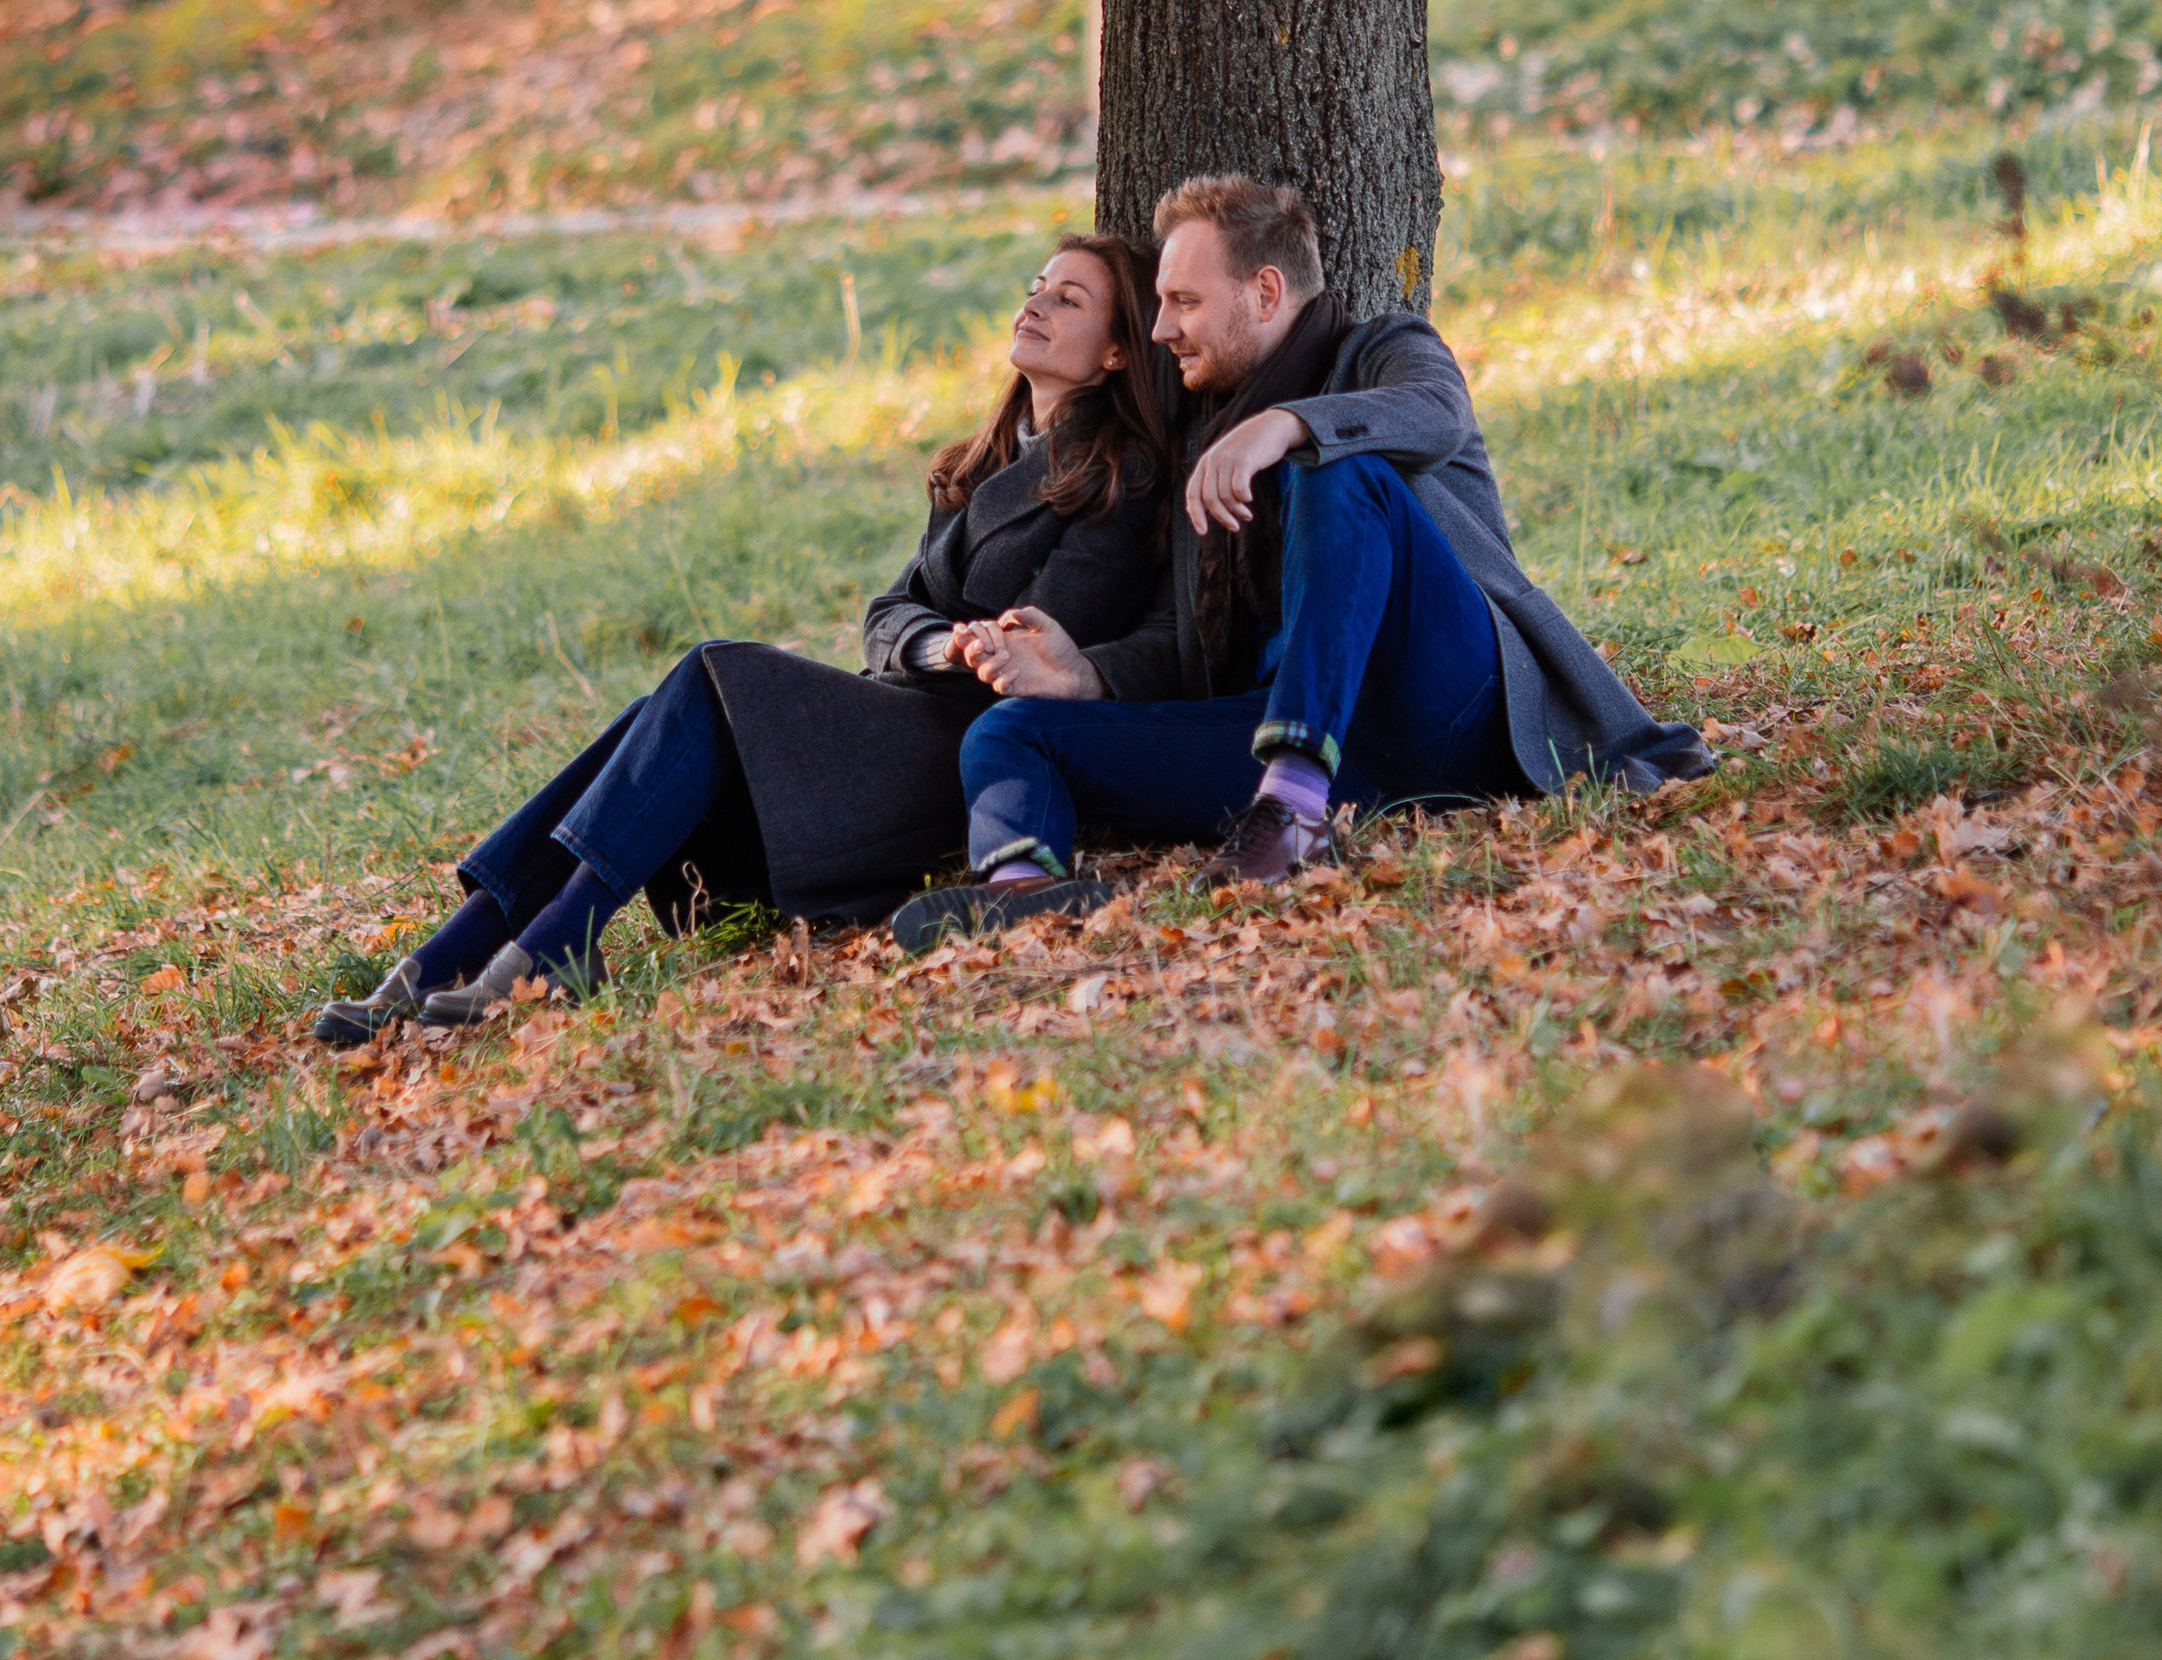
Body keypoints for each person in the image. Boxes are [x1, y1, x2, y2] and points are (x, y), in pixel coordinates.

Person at [310, 235, 1169, 1041]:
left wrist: (960, 649)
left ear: (1116, 353)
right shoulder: (978, 461)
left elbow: (1034, 649)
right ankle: (453, 953)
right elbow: (885, 616)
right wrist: (935, 645)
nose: (1035, 305)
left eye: (1069, 300)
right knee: (660, 712)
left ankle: (549, 942)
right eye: (1035, 288)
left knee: (716, 670)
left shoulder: (1117, 475)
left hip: (961, 758)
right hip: (897, 715)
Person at [891, 174, 1710, 950]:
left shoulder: (1383, 349)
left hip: (1443, 701)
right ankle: (1025, 892)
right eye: (1162, 304)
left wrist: (1288, 425)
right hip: (1303, 735)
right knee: (1015, 729)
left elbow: (1439, 413)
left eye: (1185, 303)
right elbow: (1177, 633)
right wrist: (1086, 676)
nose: (1162, 329)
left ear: (1266, 292)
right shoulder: (1197, 437)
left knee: (1340, 472)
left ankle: (1291, 810)